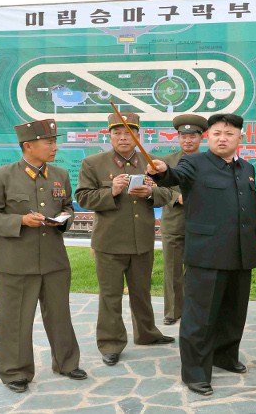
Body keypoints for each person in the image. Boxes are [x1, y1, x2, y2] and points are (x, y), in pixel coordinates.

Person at [146, 113, 256, 397]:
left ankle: (225, 356)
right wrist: (162, 171)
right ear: (208, 137)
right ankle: (196, 373)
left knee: (234, 311)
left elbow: (251, 202)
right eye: (216, 133)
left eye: (229, 133)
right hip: (207, 253)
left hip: (240, 251)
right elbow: (174, 176)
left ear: (240, 138)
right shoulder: (194, 163)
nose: (222, 138)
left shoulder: (246, 167)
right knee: (200, 317)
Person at [0, 119, 86, 393]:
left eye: (55, 142)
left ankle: (67, 363)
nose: (54, 147)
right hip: (16, 263)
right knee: (14, 320)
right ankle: (15, 372)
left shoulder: (60, 174)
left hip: (54, 260)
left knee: (60, 315)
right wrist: (20, 221)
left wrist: (63, 218)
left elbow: (68, 207)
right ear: (28, 146)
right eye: (49, 142)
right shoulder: (0, 176)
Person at [75, 112, 174, 368]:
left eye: (129, 133)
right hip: (109, 243)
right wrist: (112, 191)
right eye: (117, 133)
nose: (123, 138)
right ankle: (111, 344)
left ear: (138, 136)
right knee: (110, 295)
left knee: (142, 292)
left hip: (142, 240)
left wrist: (150, 193)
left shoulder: (152, 163)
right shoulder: (93, 163)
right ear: (109, 136)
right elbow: (83, 198)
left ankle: (147, 333)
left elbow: (169, 193)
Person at [159, 114, 208, 325]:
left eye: (192, 136)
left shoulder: (210, 161)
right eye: (183, 136)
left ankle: (194, 310)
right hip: (174, 223)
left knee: (198, 269)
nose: (187, 140)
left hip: (202, 223)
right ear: (178, 138)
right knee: (172, 269)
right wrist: (175, 197)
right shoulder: (166, 162)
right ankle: (172, 311)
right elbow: (155, 187)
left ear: (201, 138)